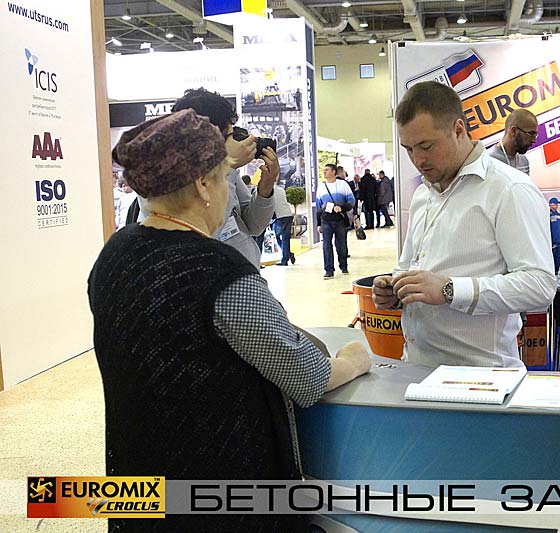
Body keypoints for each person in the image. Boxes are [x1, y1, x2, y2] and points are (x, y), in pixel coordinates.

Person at [89, 110, 371, 532]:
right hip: (222, 497)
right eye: (224, 177)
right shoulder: (219, 272)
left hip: (138, 484)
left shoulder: (114, 255)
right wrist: (352, 359)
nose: (228, 191)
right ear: (202, 185)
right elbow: (305, 376)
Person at [372, 81, 556, 368]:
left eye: (426, 146)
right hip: (415, 369)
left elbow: (539, 286)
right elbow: (409, 266)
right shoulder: (423, 194)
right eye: (408, 149)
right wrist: (396, 290)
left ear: (458, 130)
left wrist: (450, 290)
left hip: (481, 379)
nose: (418, 159)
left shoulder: (509, 189)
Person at [136, 88, 279, 269]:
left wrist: (265, 189)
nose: (232, 141)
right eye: (227, 135)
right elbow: (200, 234)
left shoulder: (224, 169)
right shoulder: (161, 177)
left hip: (243, 273)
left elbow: (254, 226)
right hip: (207, 280)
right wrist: (226, 166)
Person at [317, 163, 355, 279]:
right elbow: (318, 207)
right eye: (324, 170)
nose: (324, 172)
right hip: (326, 220)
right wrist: (318, 224)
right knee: (326, 245)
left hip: (340, 220)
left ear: (334, 172)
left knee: (341, 244)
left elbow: (352, 200)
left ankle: (343, 266)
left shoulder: (343, 185)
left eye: (327, 170)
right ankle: (329, 270)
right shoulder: (321, 187)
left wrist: (342, 207)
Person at [486, 108, 539, 174]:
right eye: (531, 133)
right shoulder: (488, 161)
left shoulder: (524, 161)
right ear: (514, 131)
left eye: (535, 135)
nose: (534, 140)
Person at [272, 184, 295, 266]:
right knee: (286, 239)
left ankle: (287, 256)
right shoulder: (281, 189)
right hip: (288, 215)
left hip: (280, 216)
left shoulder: (269, 191)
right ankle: (286, 257)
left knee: (276, 236)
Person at [548, 197, 560, 272]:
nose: (557, 206)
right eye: (555, 204)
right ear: (550, 204)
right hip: (552, 241)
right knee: (552, 258)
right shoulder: (547, 215)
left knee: (558, 257)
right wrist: (550, 241)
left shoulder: (559, 215)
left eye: (557, 204)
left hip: (559, 241)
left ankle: (557, 272)